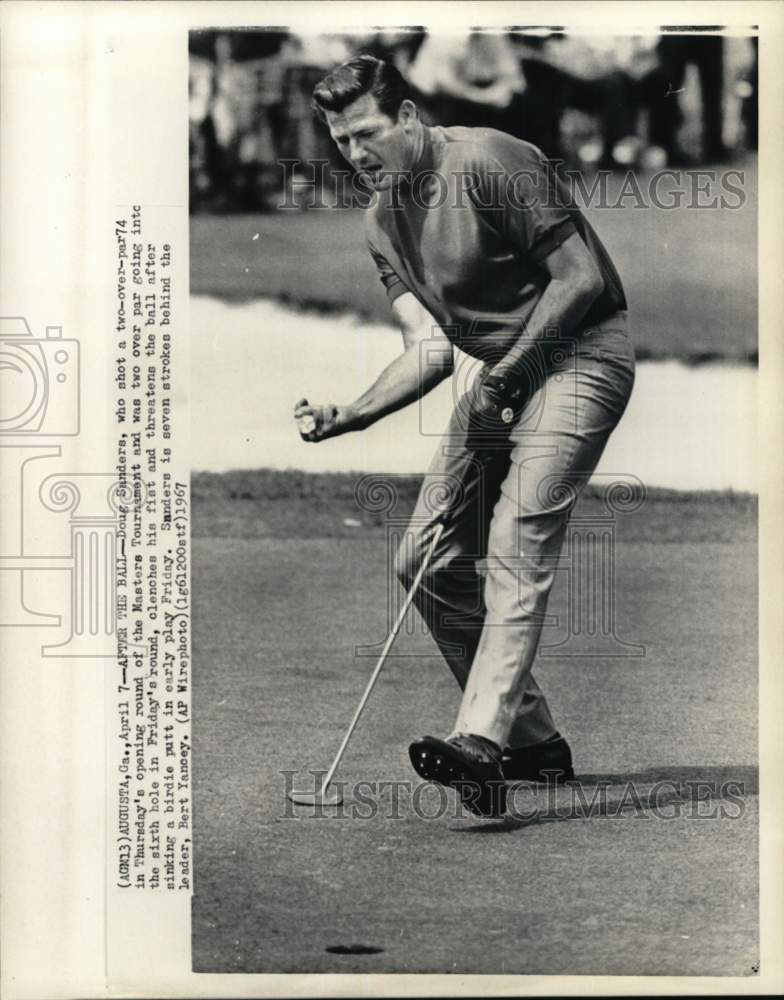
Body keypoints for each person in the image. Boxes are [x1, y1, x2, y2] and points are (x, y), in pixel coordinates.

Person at [294, 56, 635, 817]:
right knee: (426, 558)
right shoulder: (381, 222)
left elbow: (578, 281)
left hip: (582, 356)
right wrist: (353, 412)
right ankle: (534, 742)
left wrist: (511, 373)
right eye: (343, 142)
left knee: (518, 534)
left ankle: (478, 743)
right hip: (502, 374)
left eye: (369, 134)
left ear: (409, 118)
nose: (357, 155)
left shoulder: (489, 159)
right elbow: (429, 346)